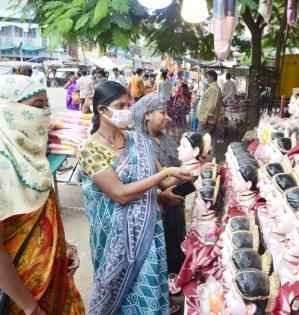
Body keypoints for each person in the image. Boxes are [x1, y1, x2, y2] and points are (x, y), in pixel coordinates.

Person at [76, 81, 193, 314]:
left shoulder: (138, 141)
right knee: (117, 297)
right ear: (101, 110)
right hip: (112, 238)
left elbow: (163, 182)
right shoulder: (88, 149)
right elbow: (119, 194)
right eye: (119, 105)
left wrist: (193, 170)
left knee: (147, 290)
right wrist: (166, 173)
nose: (126, 111)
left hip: (147, 234)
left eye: (128, 105)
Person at [0, 75, 85, 315]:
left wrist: (64, 247)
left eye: (47, 105)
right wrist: (30, 308)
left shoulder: (32, 160)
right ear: (8, 109)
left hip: (55, 282)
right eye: (38, 106)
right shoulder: (2, 166)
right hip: (21, 299)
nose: (47, 114)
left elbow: (40, 218)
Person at [132, 95, 187, 314]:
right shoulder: (139, 143)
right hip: (157, 206)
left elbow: (174, 169)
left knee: (175, 242)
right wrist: (190, 170)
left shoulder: (165, 138)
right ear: (147, 115)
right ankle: (162, 297)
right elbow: (157, 182)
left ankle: (173, 286)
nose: (168, 117)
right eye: (162, 113)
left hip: (175, 202)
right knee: (160, 250)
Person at [196, 70, 223, 160]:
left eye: (207, 77)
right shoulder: (214, 88)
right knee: (213, 140)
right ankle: (213, 159)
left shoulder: (213, 88)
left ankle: (198, 157)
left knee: (199, 137)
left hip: (209, 119)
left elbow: (211, 105)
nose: (206, 78)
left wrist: (205, 117)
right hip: (213, 119)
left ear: (212, 77)